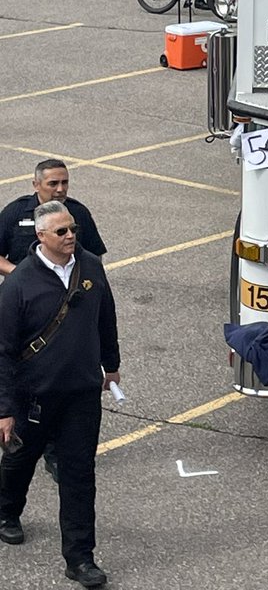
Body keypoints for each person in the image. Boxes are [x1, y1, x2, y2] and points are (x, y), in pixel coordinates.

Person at [0, 200, 120, 588]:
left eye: (73, 230)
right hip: (33, 395)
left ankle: (80, 559)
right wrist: (4, 409)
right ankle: (6, 512)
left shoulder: (91, 266)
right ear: (41, 236)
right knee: (20, 459)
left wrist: (111, 363)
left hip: (82, 394)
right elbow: (2, 351)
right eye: (62, 232)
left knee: (79, 476)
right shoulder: (18, 285)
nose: (71, 236)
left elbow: (106, 316)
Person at [0, 160, 108, 486]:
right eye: (52, 184)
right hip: (26, 310)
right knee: (28, 385)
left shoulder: (77, 214)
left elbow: (94, 259)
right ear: (36, 185)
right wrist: (23, 275)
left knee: (62, 383)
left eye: (64, 183)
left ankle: (56, 453)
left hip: (66, 309)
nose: (59, 189)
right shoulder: (15, 213)